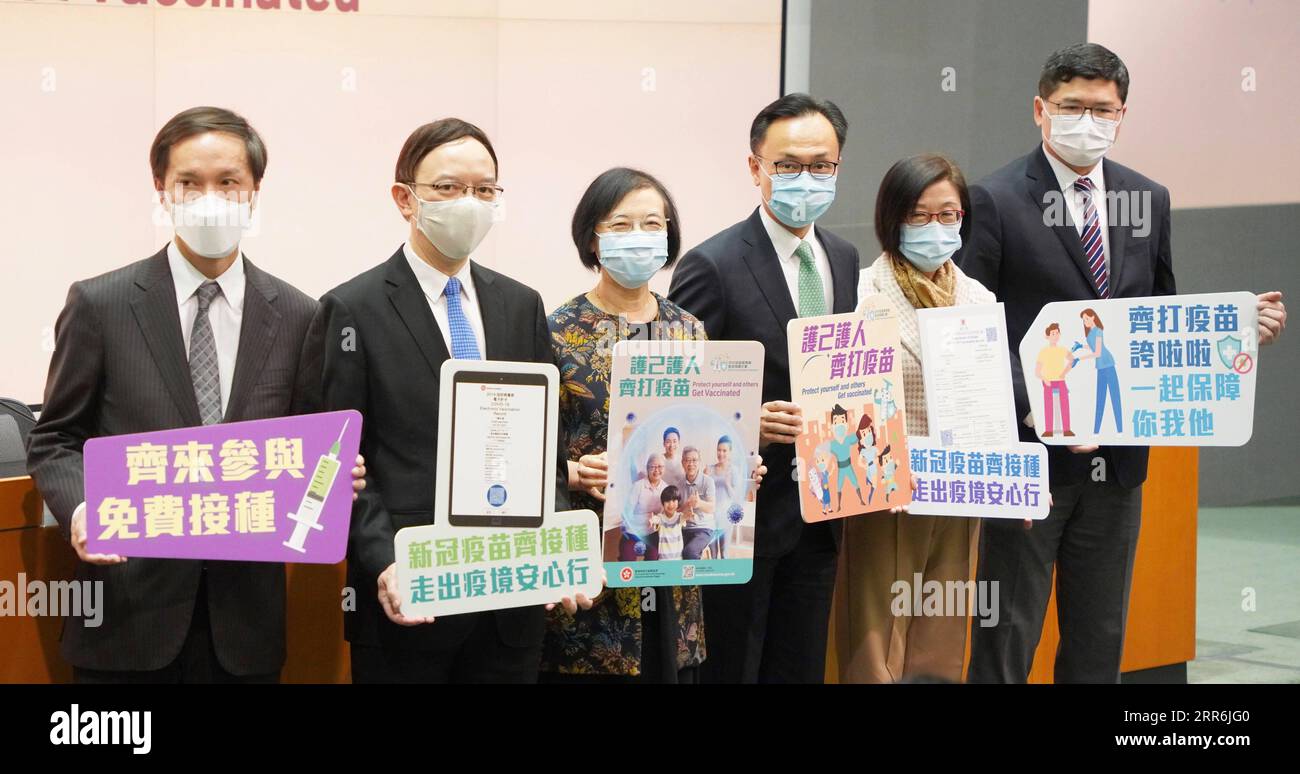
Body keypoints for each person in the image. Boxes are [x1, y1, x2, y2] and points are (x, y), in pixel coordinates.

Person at [957, 43, 1286, 683]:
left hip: (1121, 459)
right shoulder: (993, 199)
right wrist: (1042, 410)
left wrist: (1236, 332)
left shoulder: (1148, 198)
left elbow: (1158, 317)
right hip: (1032, 460)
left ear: (1122, 114)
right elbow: (976, 332)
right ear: (1039, 110)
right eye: (1071, 106)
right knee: (1009, 635)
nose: (1087, 120)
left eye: (1101, 109)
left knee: (1100, 636)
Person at [25, 106, 364, 683]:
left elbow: (309, 447)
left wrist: (331, 477)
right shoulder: (100, 304)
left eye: (228, 182)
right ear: (162, 189)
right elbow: (55, 437)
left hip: (246, 622)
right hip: (127, 611)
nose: (210, 197)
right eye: (189, 182)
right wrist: (82, 508)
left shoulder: (301, 314)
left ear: (255, 191)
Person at [298, 117, 573, 684]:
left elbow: (545, 446)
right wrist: (384, 563)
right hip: (410, 594)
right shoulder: (352, 309)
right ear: (405, 198)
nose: (468, 203)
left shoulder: (521, 305)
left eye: (484, 190)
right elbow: (338, 464)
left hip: (513, 598)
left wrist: (561, 544)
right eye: (448, 188)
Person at [543, 167, 765, 684]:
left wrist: (737, 470)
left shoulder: (689, 329)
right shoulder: (556, 332)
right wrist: (576, 470)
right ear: (592, 239)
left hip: (676, 562)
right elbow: (536, 453)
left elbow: (708, 430)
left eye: (652, 223)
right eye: (621, 225)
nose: (639, 237)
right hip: (594, 565)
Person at [670, 93, 860, 683]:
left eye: (821, 165)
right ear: (755, 168)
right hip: (739, 515)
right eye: (788, 165)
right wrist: (745, 421)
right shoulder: (713, 264)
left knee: (800, 667)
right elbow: (681, 394)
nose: (806, 178)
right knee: (734, 667)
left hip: (826, 507)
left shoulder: (846, 257)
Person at [839, 153, 994, 684]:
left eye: (947, 215)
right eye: (919, 215)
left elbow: (989, 401)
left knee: (943, 629)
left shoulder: (980, 299)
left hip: (958, 489)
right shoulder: (859, 293)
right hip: (882, 491)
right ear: (892, 219)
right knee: (877, 630)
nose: (935, 228)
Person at [1077, 308, 1120, 433]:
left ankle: (1120, 429)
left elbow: (1098, 352)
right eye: (1083, 320)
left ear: (1093, 317)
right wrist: (1081, 346)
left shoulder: (1098, 331)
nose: (1085, 322)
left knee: (1114, 397)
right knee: (1100, 398)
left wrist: (1079, 359)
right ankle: (1096, 431)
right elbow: (1093, 347)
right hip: (1101, 366)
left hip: (1107, 363)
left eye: (1087, 319)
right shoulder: (1090, 333)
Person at [1036, 322, 1074, 437]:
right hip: (1048, 382)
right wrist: (1044, 378)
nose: (1056, 335)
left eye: (1057, 333)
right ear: (1047, 336)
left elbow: (1072, 360)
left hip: (1060, 381)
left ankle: (1067, 429)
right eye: (1053, 333)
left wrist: (1064, 373)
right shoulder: (1043, 352)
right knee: (1048, 405)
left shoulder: (1062, 349)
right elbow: (1037, 371)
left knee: (1064, 404)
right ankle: (1048, 430)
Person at [678, 446, 717, 559]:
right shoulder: (679, 484)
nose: (690, 464)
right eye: (687, 460)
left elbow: (711, 508)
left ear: (699, 462)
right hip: (684, 528)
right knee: (672, 551)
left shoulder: (708, 481)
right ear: (682, 463)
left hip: (704, 528)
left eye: (694, 460)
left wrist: (699, 503)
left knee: (689, 552)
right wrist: (685, 507)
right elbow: (676, 511)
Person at [827, 404, 866, 511]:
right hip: (841, 468)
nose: (839, 425)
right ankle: (839, 505)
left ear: (847, 424)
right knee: (839, 486)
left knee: (856, 483)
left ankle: (861, 500)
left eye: (842, 421)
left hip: (849, 467)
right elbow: (826, 454)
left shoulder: (848, 439)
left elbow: (859, 435)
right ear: (832, 426)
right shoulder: (832, 444)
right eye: (836, 422)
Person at [652, 486, 685, 561]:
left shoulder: (680, 516)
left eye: (674, 500)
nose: (671, 504)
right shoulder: (660, 517)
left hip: (678, 558)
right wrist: (652, 520)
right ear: (663, 503)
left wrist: (689, 512)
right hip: (663, 559)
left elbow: (685, 517)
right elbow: (656, 519)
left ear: (678, 501)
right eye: (667, 501)